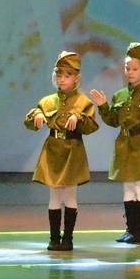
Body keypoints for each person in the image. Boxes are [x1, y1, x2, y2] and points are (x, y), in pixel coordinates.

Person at [90, 42, 140, 245]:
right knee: (128, 187)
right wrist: (103, 106)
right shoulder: (120, 95)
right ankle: (130, 229)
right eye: (127, 68)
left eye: (134, 69)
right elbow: (114, 121)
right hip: (124, 144)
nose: (130, 72)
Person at [24, 51, 98, 251]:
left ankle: (68, 238)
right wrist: (36, 115)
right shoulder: (48, 101)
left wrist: (79, 118)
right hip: (53, 149)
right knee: (54, 195)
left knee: (70, 195)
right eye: (59, 75)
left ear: (76, 78)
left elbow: (91, 126)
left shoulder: (83, 102)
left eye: (67, 75)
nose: (62, 79)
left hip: (73, 149)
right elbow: (30, 121)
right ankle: (54, 238)